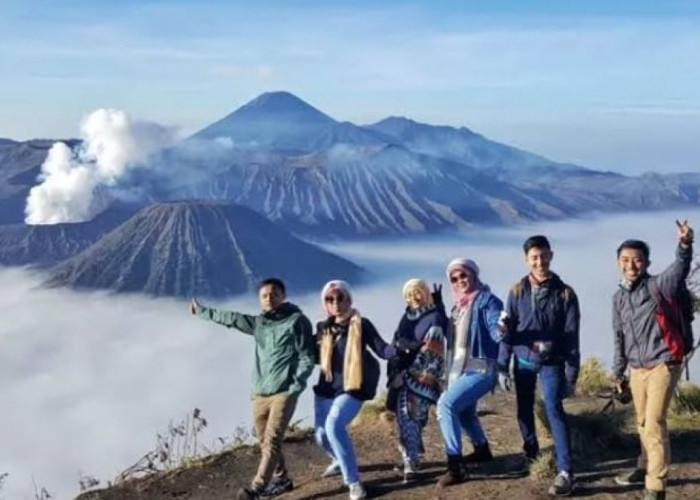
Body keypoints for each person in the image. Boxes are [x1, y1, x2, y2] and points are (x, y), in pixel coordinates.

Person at [190, 278, 315, 500]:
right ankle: (282, 479)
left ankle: (257, 489)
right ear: (260, 300)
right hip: (259, 393)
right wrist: (202, 311)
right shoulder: (260, 324)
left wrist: (296, 386)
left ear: (283, 296)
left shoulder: (297, 322)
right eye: (264, 295)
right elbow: (233, 319)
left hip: (284, 392)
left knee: (273, 439)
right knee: (264, 441)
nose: (269, 298)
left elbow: (307, 356)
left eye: (274, 294)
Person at [612, 220, 694, 500]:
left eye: (637, 260)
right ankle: (644, 463)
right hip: (636, 367)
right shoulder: (618, 298)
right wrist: (617, 372)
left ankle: (655, 486)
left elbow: (679, 268)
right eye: (625, 260)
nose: (631, 265)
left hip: (663, 363)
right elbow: (619, 338)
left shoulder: (660, 286)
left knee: (654, 422)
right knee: (641, 421)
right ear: (617, 263)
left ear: (646, 262)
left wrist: (684, 245)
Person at [497, 236, 581, 497]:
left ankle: (566, 470)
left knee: (554, 410)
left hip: (552, 362)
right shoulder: (516, 292)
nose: (539, 261)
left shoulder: (565, 293)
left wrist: (572, 373)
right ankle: (531, 454)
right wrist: (502, 364)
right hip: (522, 360)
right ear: (526, 260)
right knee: (523, 409)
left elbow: (571, 335)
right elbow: (507, 331)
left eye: (543, 256)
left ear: (551, 256)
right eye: (534, 257)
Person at [313, 280, 397, 500]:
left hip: (352, 388)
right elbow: (315, 356)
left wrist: (405, 347)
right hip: (326, 388)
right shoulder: (323, 328)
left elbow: (383, 350)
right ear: (325, 304)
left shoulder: (362, 325)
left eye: (341, 297)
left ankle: (354, 484)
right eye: (330, 299)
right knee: (321, 436)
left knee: (333, 425)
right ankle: (339, 460)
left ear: (349, 300)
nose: (336, 303)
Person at [436, 258, 505, 488]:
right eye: (454, 278)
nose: (459, 281)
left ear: (474, 275)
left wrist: (501, 331)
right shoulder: (459, 307)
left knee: (446, 406)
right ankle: (481, 449)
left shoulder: (487, 301)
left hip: (481, 367)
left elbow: (496, 329)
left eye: (463, 275)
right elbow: (456, 341)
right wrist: (440, 312)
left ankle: (455, 467)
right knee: (464, 412)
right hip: (462, 368)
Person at [387, 278, 447, 483]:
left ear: (426, 292)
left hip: (420, 377)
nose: (414, 296)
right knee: (406, 418)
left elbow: (433, 350)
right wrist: (394, 371)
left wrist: (407, 375)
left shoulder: (435, 317)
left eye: (418, 291)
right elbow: (395, 343)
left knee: (411, 417)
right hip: (403, 376)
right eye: (409, 293)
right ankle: (411, 459)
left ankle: (410, 460)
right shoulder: (406, 317)